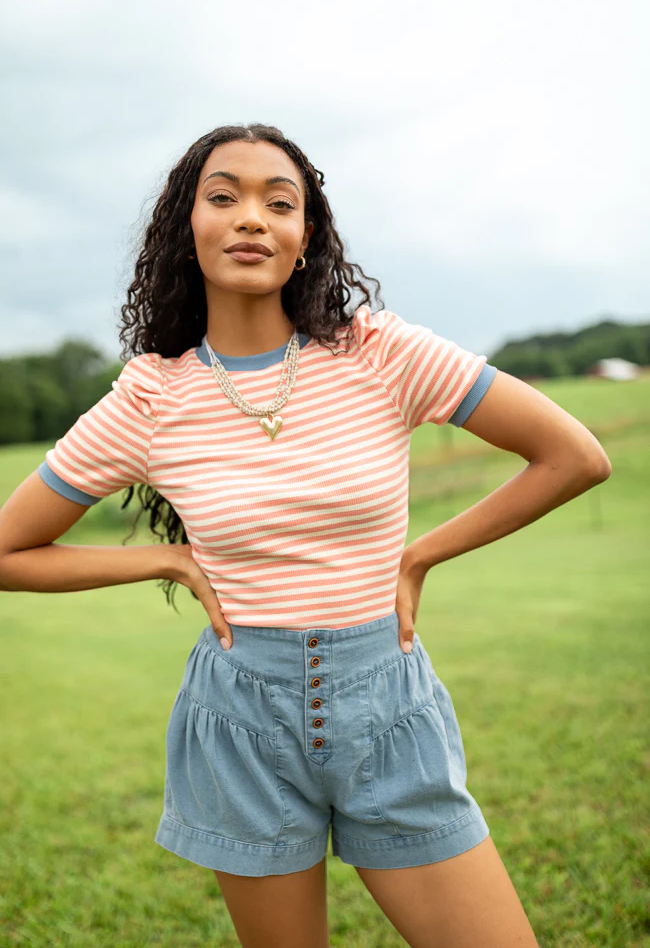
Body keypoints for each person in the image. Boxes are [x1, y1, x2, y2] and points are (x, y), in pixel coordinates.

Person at [0, 123, 611, 948]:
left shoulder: (381, 352)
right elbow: (9, 549)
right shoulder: (151, 398)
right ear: (188, 225)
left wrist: (422, 552)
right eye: (224, 197)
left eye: (277, 203)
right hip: (240, 716)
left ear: (304, 238)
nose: (251, 217)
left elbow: (573, 455)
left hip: (386, 703)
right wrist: (167, 557)